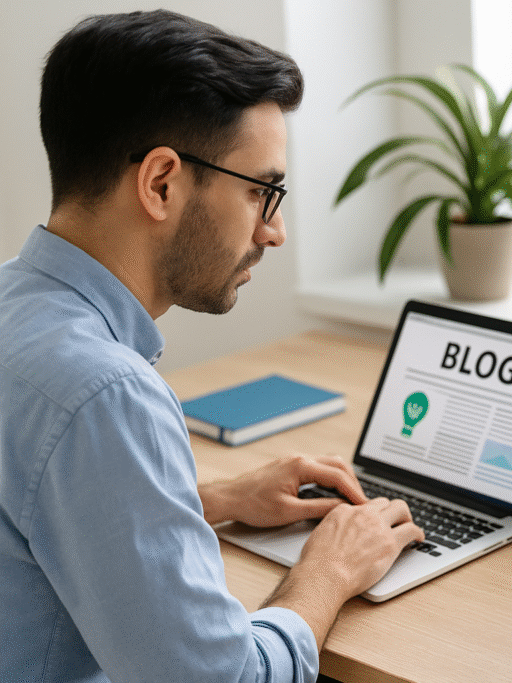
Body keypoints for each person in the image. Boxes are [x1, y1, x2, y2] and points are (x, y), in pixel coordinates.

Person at [0, 10, 423, 682]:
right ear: (161, 182)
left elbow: (36, 515)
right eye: (263, 191)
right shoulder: (104, 395)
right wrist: (327, 571)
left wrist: (211, 499)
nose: (275, 230)